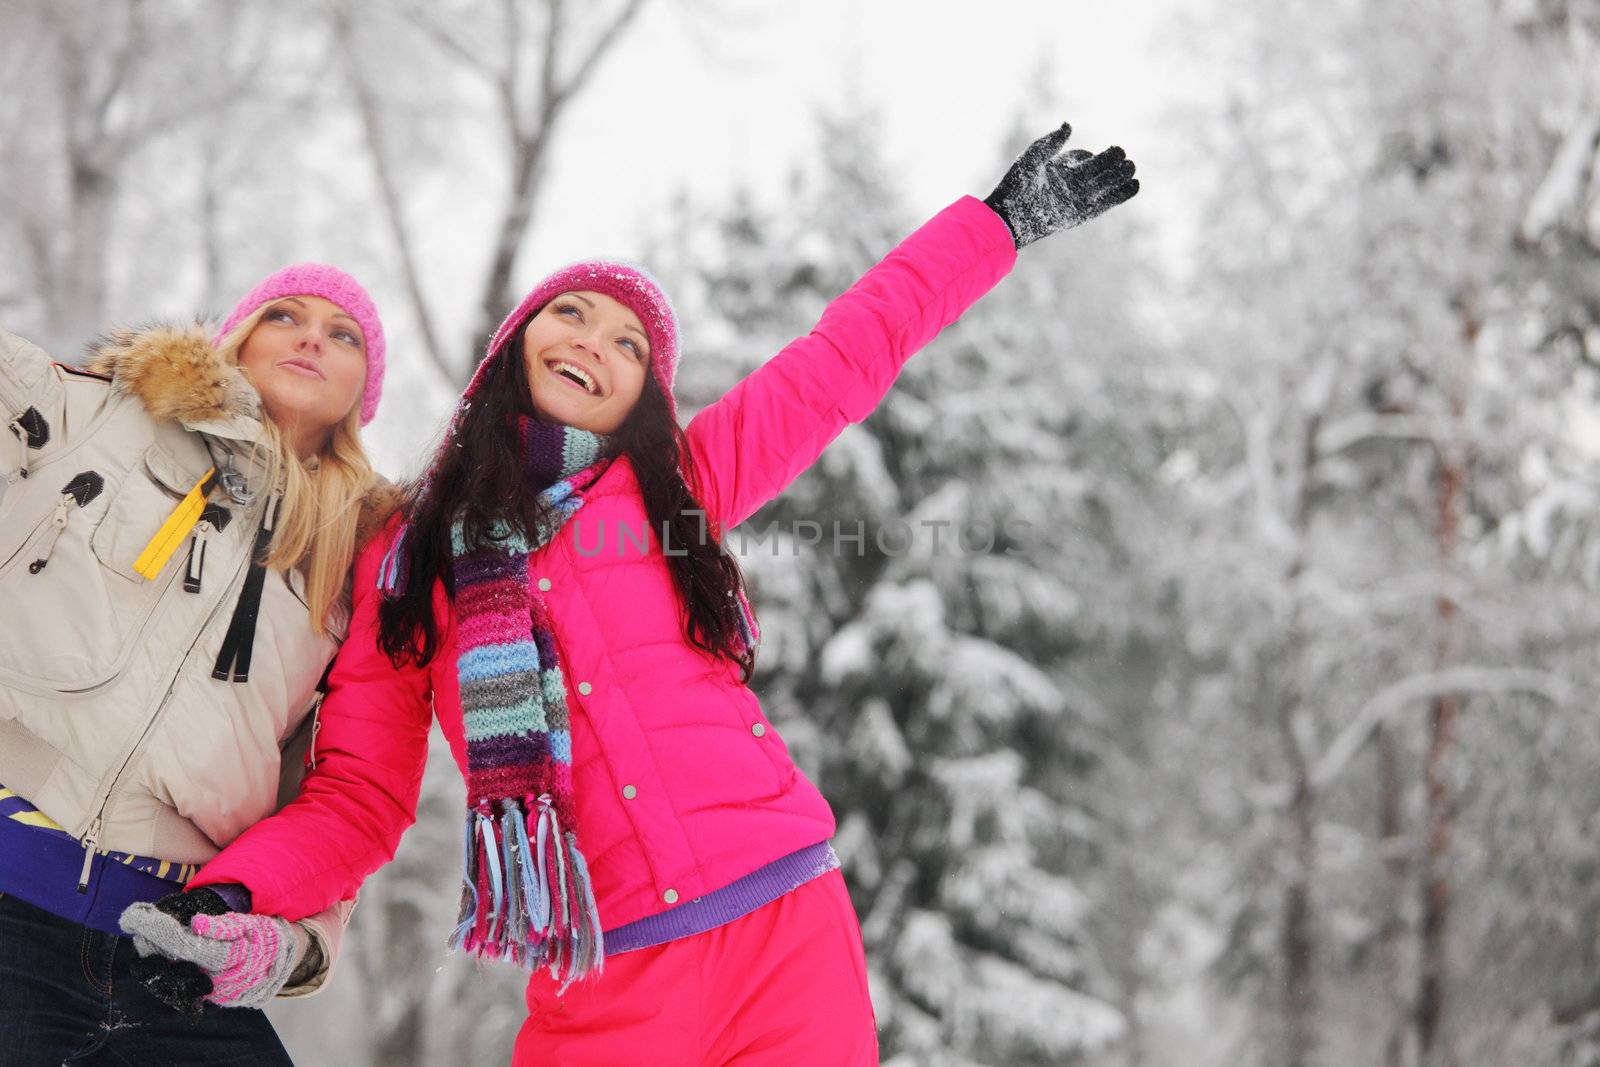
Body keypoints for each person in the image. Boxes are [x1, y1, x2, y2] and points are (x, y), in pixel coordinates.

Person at [141, 122, 1139, 1065]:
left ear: (643, 394)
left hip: (784, 931)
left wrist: (994, 227)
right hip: (603, 973)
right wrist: (237, 890)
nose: (594, 342)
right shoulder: (407, 560)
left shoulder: (678, 492)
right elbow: (361, 792)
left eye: (629, 342)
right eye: (570, 313)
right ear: (512, 351)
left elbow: (845, 355)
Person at [0, 263, 398, 1065]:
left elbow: (348, 794)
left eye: (343, 332)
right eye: (286, 314)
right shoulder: (99, 414)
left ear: (365, 388)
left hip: (169, 953)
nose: (313, 335)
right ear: (238, 339)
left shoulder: (359, 566)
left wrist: (294, 943)